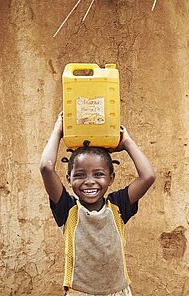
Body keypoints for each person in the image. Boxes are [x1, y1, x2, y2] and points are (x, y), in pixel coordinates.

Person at [40, 111, 155, 296]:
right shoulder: (67, 209)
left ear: (111, 178)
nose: (89, 181)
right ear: (68, 180)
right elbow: (46, 167)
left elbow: (148, 176)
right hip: (80, 292)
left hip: (117, 292)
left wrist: (127, 143)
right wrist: (57, 132)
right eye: (80, 175)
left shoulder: (118, 206)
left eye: (99, 174)